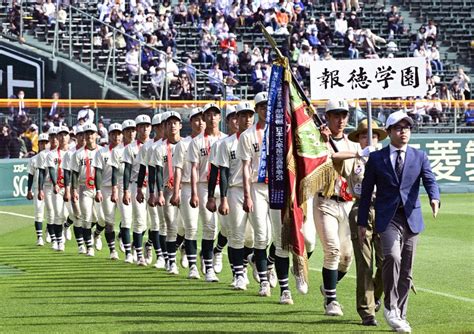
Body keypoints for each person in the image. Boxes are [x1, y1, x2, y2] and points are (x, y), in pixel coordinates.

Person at [358, 111, 440, 333]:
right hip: (387, 217)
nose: (404, 131)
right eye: (398, 128)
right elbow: (366, 192)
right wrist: (362, 221)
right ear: (389, 131)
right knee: (392, 257)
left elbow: (430, 179)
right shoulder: (377, 158)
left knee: (407, 269)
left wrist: (435, 197)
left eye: (407, 127)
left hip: (412, 218)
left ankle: (400, 315)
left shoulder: (419, 156)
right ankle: (390, 306)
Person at [332, 120, 387, 326]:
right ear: (359, 139)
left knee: (386, 261)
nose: (368, 139)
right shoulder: (355, 159)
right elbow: (334, 159)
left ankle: (375, 295)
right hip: (361, 209)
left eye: (372, 135)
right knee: (365, 263)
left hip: (383, 210)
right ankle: (367, 312)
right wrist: (358, 155)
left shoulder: (385, 156)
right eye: (364, 135)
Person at [315, 99, 359, 316]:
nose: (340, 120)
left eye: (343, 115)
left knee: (346, 257)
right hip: (326, 201)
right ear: (327, 117)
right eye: (335, 115)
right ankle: (331, 301)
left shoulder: (354, 144)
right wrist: (322, 141)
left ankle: (327, 286)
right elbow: (323, 160)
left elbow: (359, 174)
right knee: (332, 250)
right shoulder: (317, 141)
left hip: (349, 202)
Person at [187, 103, 227, 282]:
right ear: (204, 118)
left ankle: (216, 251)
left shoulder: (226, 139)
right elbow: (194, 168)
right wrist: (195, 192)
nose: (212, 118)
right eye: (208, 115)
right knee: (210, 227)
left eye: (215, 114)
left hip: (225, 186)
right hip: (204, 185)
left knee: (228, 228)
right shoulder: (196, 142)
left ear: (220, 117)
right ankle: (209, 268)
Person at [171, 108, 206, 279]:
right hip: (186, 186)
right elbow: (177, 169)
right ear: (190, 122)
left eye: (202, 119)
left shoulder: (214, 141)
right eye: (196, 119)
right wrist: (176, 191)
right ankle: (193, 266)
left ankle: (204, 257)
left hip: (207, 186)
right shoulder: (183, 144)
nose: (200, 123)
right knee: (190, 227)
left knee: (209, 228)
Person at [93, 123, 123, 260]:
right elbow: (98, 172)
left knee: (127, 218)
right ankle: (112, 250)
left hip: (124, 187)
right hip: (106, 188)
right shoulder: (102, 152)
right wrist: (98, 190)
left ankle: (122, 236)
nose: (116, 136)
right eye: (113, 134)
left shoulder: (126, 150)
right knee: (108, 220)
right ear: (109, 135)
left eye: (118, 133)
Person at [71, 124, 99, 257]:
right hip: (84, 187)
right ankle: (89, 247)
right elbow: (74, 174)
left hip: (100, 188)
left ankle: (97, 234)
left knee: (102, 219)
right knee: (86, 217)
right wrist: (74, 190)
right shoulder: (78, 154)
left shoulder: (103, 151)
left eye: (92, 133)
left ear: (96, 134)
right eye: (87, 133)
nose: (89, 136)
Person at [26, 133, 50, 246]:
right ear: (38, 144)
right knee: (38, 212)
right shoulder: (33, 159)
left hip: (49, 188)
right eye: (42, 142)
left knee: (53, 212)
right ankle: (40, 237)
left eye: (46, 142)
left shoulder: (53, 157)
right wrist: (29, 190)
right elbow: (30, 176)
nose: (44, 145)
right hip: (37, 188)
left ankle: (49, 231)